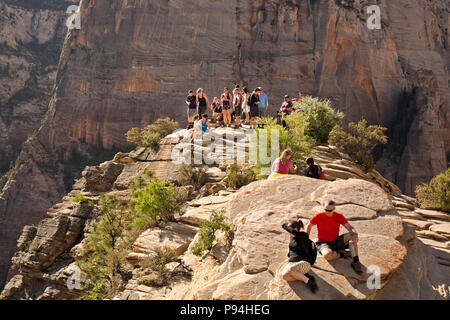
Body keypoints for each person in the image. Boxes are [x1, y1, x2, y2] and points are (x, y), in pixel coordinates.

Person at [306, 200, 363, 274]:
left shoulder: (339, 216)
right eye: (326, 210)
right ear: (323, 208)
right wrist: (306, 239)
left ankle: (356, 261)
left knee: (353, 236)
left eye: (330, 210)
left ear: (334, 209)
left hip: (336, 240)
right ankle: (343, 253)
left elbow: (349, 227)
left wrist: (354, 233)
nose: (328, 212)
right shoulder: (318, 216)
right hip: (323, 243)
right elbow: (309, 226)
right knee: (327, 256)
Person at [281, 220, 318, 293]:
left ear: (295, 229)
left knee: (291, 270)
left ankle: (308, 281)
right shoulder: (291, 239)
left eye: (289, 229)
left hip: (304, 263)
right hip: (292, 263)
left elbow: (294, 233)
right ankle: (303, 276)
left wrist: (284, 226)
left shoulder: (304, 236)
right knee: (285, 276)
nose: (288, 231)